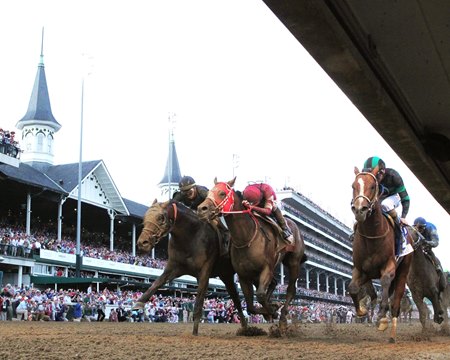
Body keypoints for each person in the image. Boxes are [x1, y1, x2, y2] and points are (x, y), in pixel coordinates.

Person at [361, 156, 410, 254]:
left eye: (374, 174)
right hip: (379, 196)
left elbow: (405, 199)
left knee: (385, 205)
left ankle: (401, 233)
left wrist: (404, 217)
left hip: (394, 197)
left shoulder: (394, 176)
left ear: (382, 172)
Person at [173, 175, 230, 255]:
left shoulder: (203, 192)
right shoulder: (180, 195)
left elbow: (213, 202)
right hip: (193, 212)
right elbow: (171, 204)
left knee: (216, 222)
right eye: (184, 193)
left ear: (195, 188)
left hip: (207, 211)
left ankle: (225, 234)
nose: (187, 195)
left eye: (189, 192)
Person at [413, 217, 446, 290]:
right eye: (416, 228)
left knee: (429, 251)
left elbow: (436, 243)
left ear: (424, 227)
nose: (418, 230)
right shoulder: (413, 229)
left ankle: (438, 267)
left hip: (428, 242)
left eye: (420, 228)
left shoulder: (431, 228)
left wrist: (427, 243)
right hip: (419, 243)